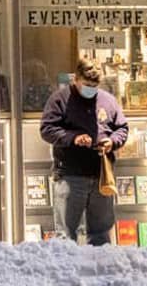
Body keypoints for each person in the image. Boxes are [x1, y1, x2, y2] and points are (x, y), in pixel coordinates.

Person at [39, 59, 128, 246]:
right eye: (87, 85)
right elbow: (47, 129)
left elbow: (122, 128)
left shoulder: (108, 100)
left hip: (101, 175)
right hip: (71, 173)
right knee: (66, 234)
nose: (91, 90)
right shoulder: (60, 99)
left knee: (101, 234)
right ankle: (66, 271)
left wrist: (112, 142)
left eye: (95, 86)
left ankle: (100, 269)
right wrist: (73, 138)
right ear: (76, 80)